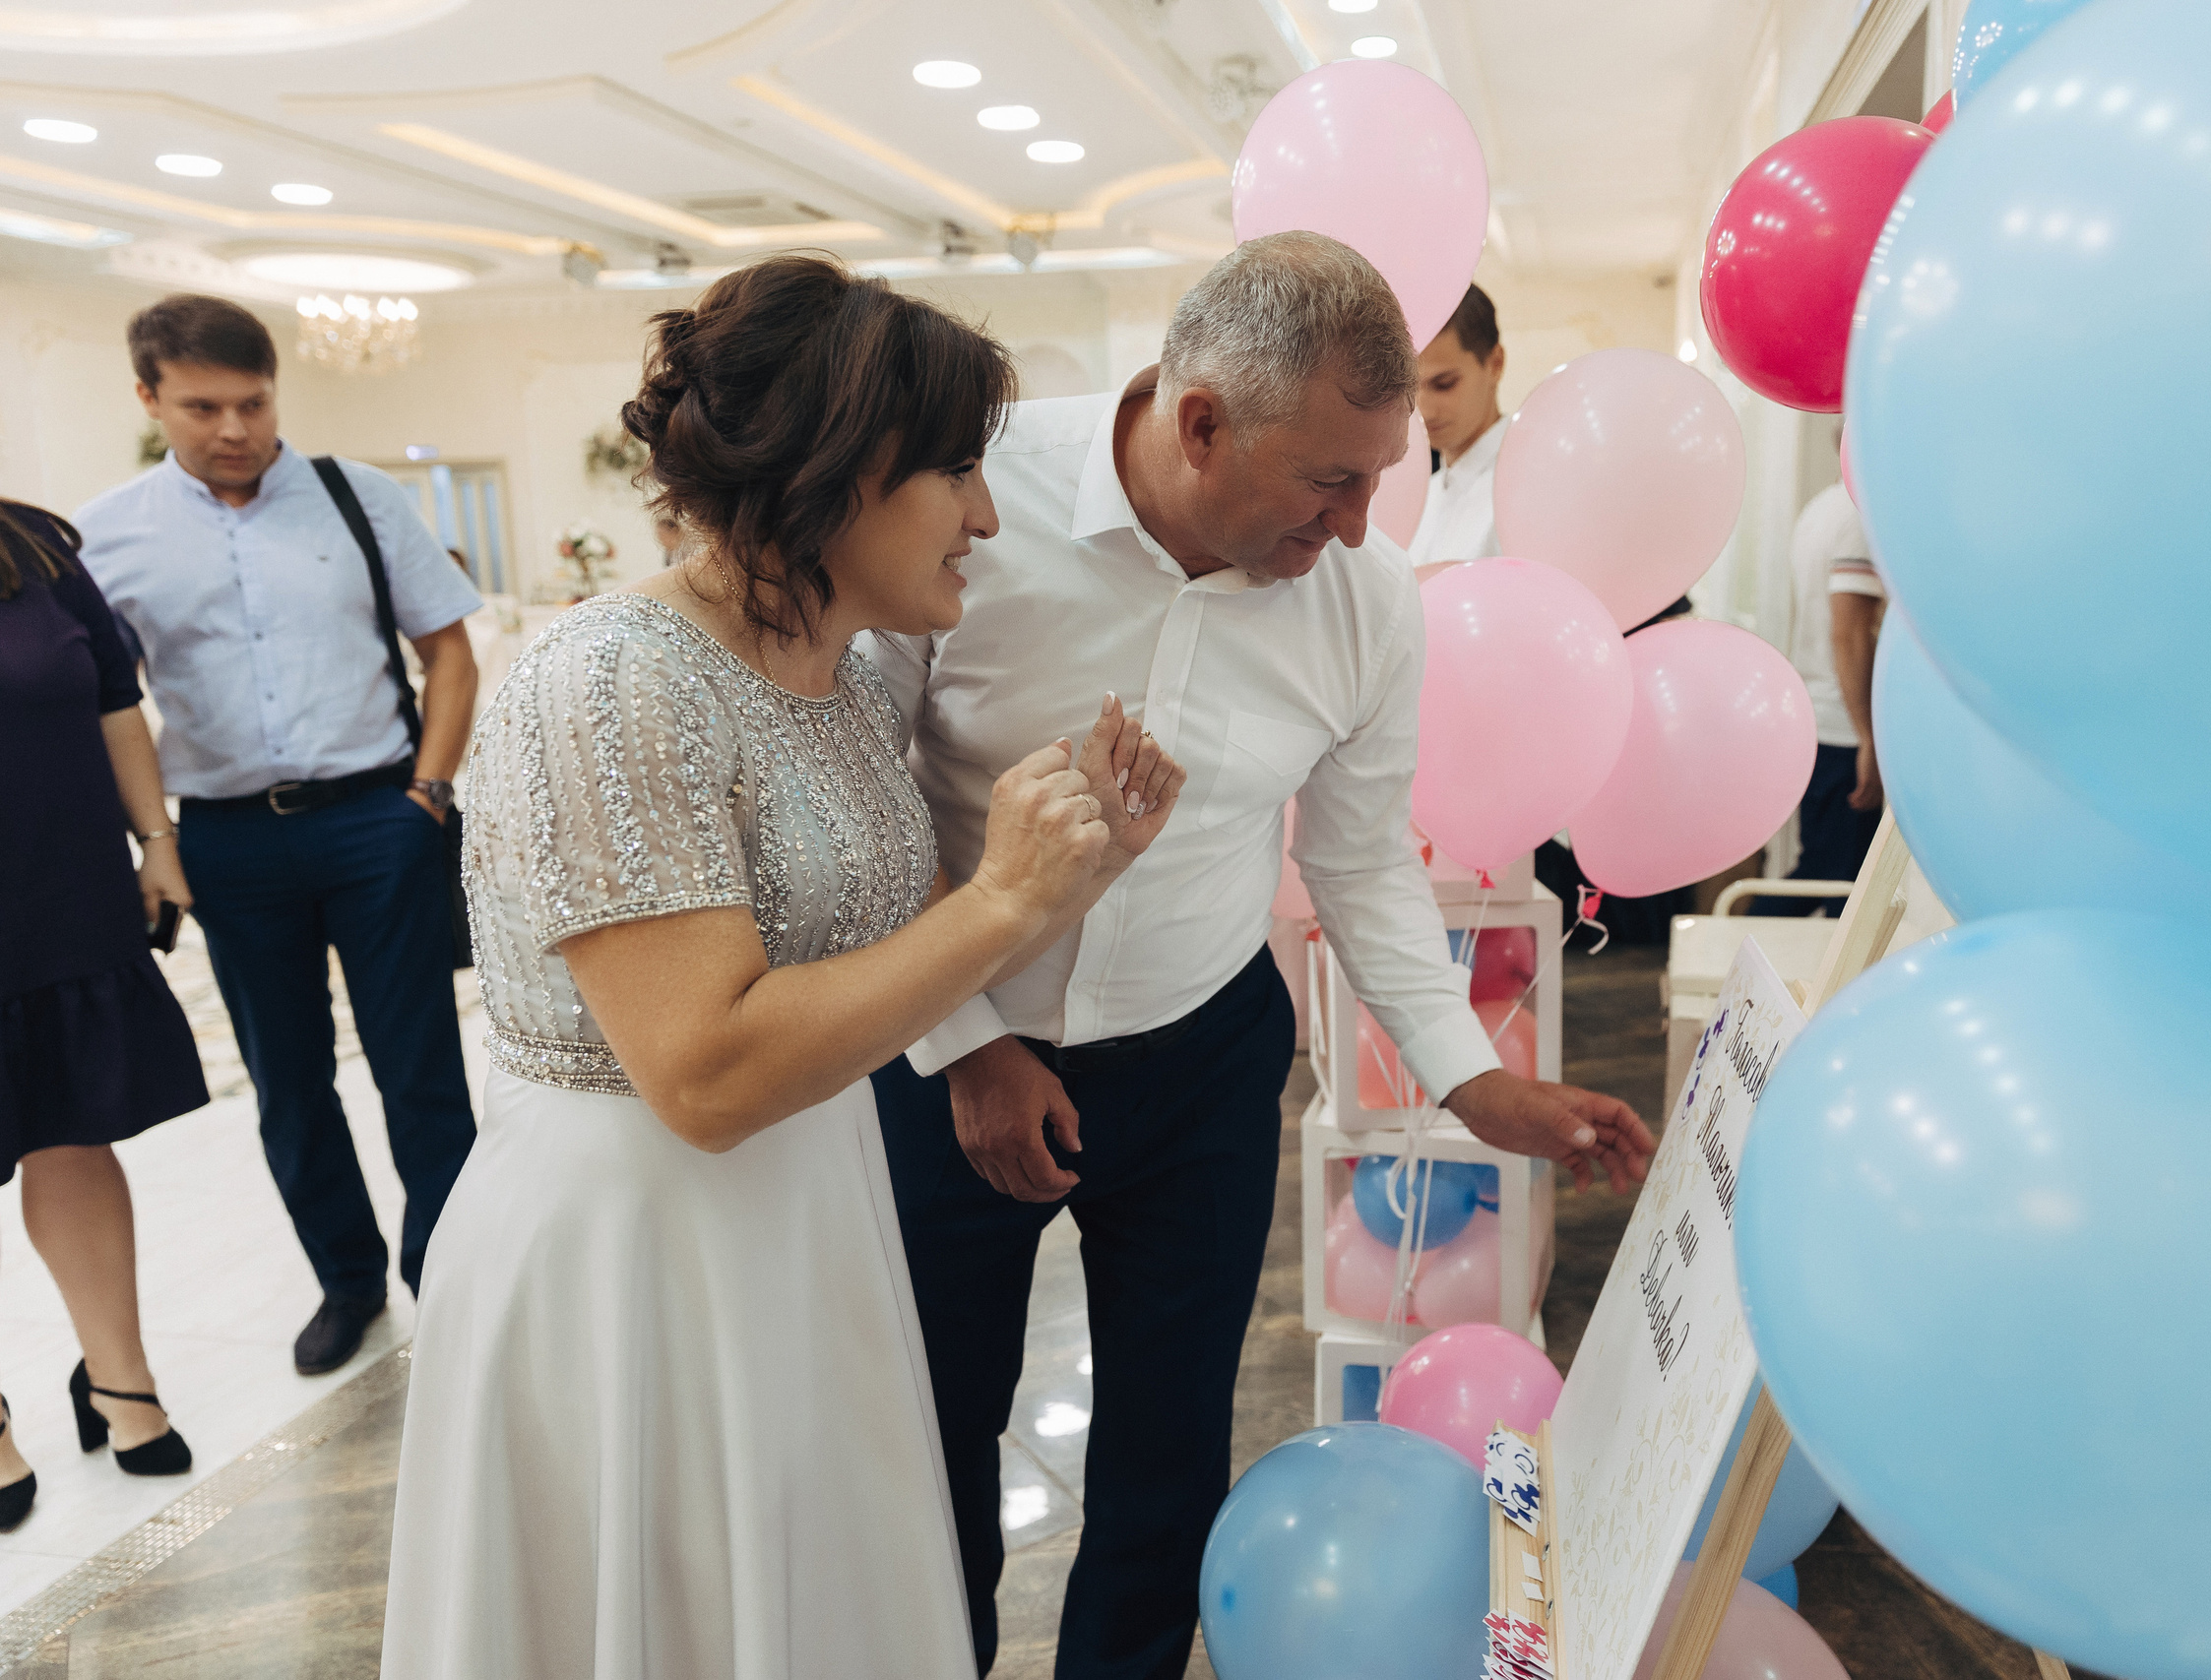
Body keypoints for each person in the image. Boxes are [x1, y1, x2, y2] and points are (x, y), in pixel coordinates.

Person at [864, 231, 1657, 1680]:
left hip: (1200, 1057)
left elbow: (1358, 862)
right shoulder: (969, 498)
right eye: (1329, 483)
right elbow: (865, 790)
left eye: (1382, 477)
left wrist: (1474, 1080)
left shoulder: (1370, 602)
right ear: (1200, 423)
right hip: (947, 1051)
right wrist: (969, 1043)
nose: (1356, 528)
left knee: (1166, 1459)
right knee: (928, 1440)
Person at [380, 254, 1182, 1679]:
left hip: (811, 1200)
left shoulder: (847, 677)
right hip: (637, 1251)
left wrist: (1069, 872)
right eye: (955, 472)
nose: (987, 517)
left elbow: (866, 918)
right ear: (840, 473)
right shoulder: (614, 679)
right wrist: (1004, 900)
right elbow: (702, 1073)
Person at [77, 294, 482, 1378]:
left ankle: (453, 1277)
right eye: (203, 406)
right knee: (288, 1083)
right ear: (149, 396)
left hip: (379, 820)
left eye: (253, 403)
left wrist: (428, 795)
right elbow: (106, 705)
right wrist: (151, 841)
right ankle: (346, 1282)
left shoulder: (358, 496)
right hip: (228, 842)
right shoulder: (110, 533)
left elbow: (448, 652)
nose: (235, 428)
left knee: (420, 1067)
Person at [0, 502, 210, 1531]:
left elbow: (117, 702)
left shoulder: (35, 550)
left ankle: (120, 1378)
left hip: (58, 895)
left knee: (75, 1132)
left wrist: (157, 843)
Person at [1751, 456, 1888, 914]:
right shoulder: (1859, 517)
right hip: (1843, 725)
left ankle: (1744, 945)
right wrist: (1867, 737)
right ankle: (1739, 948)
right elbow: (1848, 632)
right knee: (1835, 879)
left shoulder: (1821, 508)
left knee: (1828, 873)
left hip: (1818, 712)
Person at [1405, 281, 1507, 569]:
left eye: (1444, 384)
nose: (1423, 410)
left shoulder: (1528, 485)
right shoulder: (1421, 497)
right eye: (1409, 388)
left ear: (1495, 364)